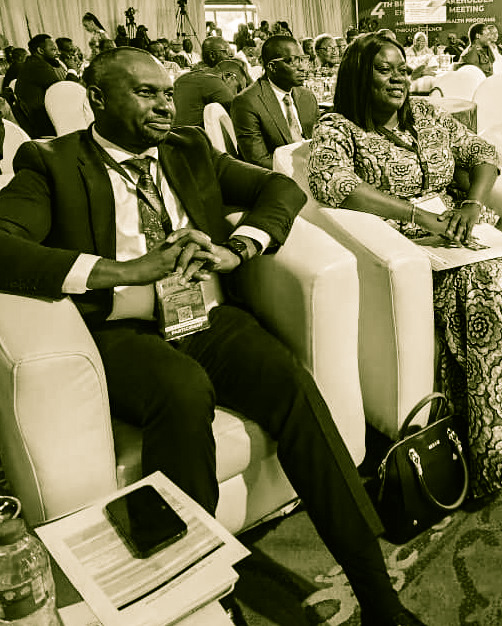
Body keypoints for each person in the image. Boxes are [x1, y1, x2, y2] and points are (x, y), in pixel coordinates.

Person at [0, 46, 426, 626]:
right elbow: (5, 244)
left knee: (290, 382)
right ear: (97, 99)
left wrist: (239, 247)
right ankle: (204, 597)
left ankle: (375, 590)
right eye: (144, 93)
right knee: (183, 391)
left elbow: (282, 191)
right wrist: (122, 271)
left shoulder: (187, 148)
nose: (163, 105)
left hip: (204, 316)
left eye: (166, 93)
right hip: (122, 330)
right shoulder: (50, 162)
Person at [308, 33, 502, 498]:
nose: (399, 79)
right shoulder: (339, 129)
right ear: (358, 77)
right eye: (385, 70)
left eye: (402, 69)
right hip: (404, 242)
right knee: (486, 291)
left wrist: (472, 203)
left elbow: (482, 153)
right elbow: (334, 183)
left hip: (463, 227)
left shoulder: (427, 115)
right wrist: (417, 214)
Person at [231, 35, 318, 168]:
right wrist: (302, 172)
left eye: (303, 60)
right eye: (293, 61)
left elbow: (318, 143)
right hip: (274, 178)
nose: (303, 68)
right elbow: (257, 160)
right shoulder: (246, 102)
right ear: (272, 67)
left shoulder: (307, 97)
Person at [14, 34, 66, 137]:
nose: (58, 53)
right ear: (41, 51)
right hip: (44, 125)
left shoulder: (32, 62)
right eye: (53, 50)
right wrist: (72, 71)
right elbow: (62, 91)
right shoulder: (38, 66)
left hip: (38, 119)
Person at [173, 56, 249, 127]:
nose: (236, 95)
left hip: (173, 135)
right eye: (238, 89)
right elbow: (241, 115)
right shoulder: (214, 81)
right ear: (228, 76)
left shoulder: (184, 77)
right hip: (192, 137)